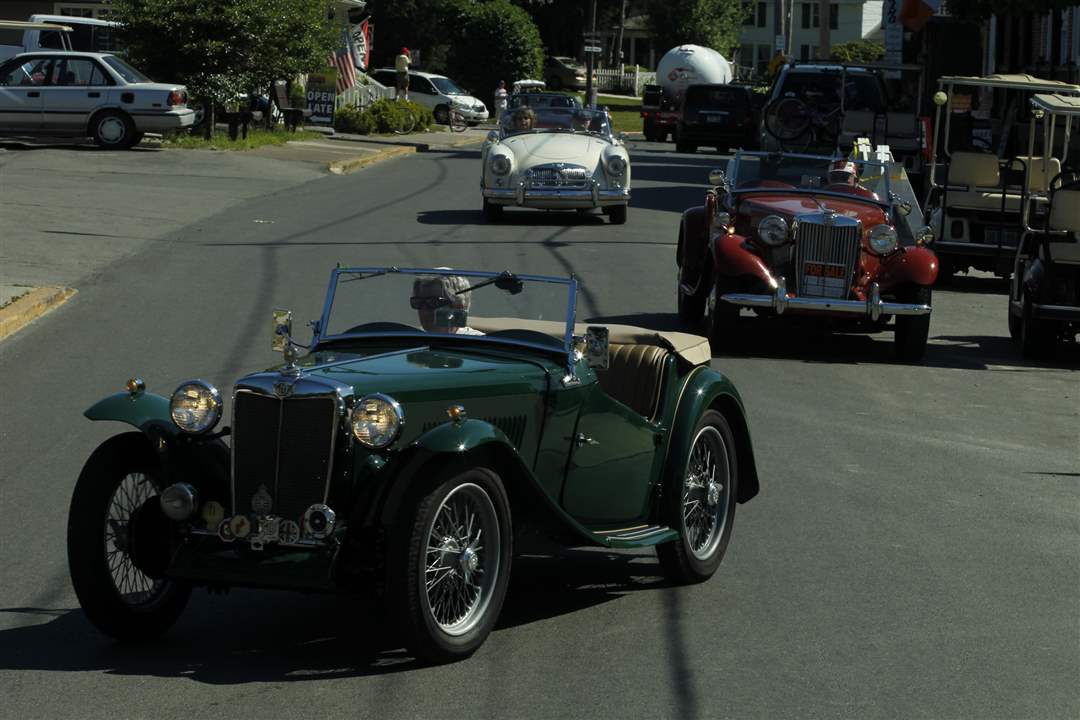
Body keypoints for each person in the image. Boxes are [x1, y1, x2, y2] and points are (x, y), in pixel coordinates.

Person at [410, 272, 483, 335]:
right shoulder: (413, 340)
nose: (424, 311)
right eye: (418, 302)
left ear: (457, 308)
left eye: (433, 302)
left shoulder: (478, 342)